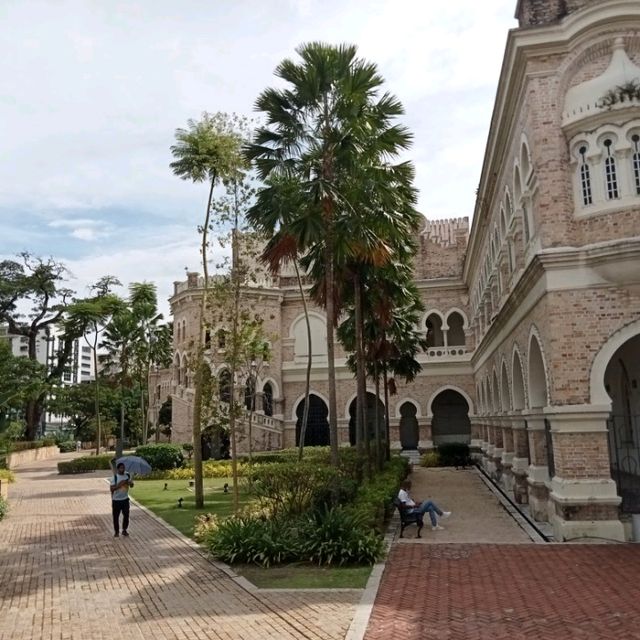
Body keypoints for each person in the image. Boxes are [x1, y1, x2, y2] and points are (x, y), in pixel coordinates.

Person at [110, 462, 134, 538]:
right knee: (116, 517)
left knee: (126, 515)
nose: (122, 469)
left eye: (123, 468)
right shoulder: (115, 477)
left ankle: (124, 530)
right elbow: (111, 489)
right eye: (121, 468)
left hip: (125, 500)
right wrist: (120, 484)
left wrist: (131, 483)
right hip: (116, 500)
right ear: (118, 469)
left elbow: (132, 486)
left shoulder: (127, 475)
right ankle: (116, 532)